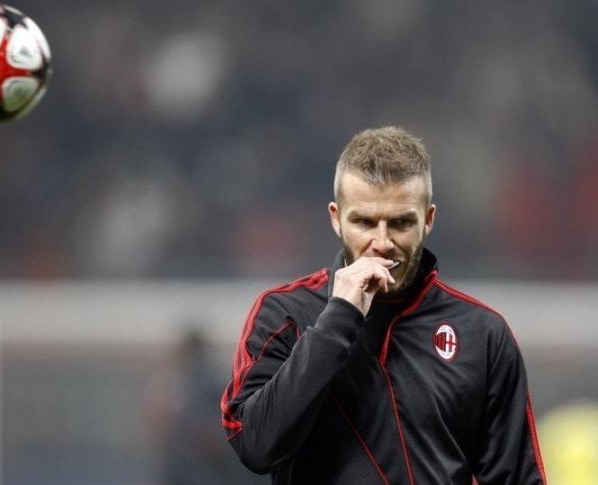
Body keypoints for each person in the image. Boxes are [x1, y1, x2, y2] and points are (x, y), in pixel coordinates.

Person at [220, 126, 546, 484]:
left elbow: (516, 477)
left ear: (428, 219)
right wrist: (338, 318)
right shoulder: (285, 315)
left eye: (401, 222)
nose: (382, 242)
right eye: (363, 221)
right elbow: (255, 445)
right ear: (335, 218)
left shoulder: (482, 333)